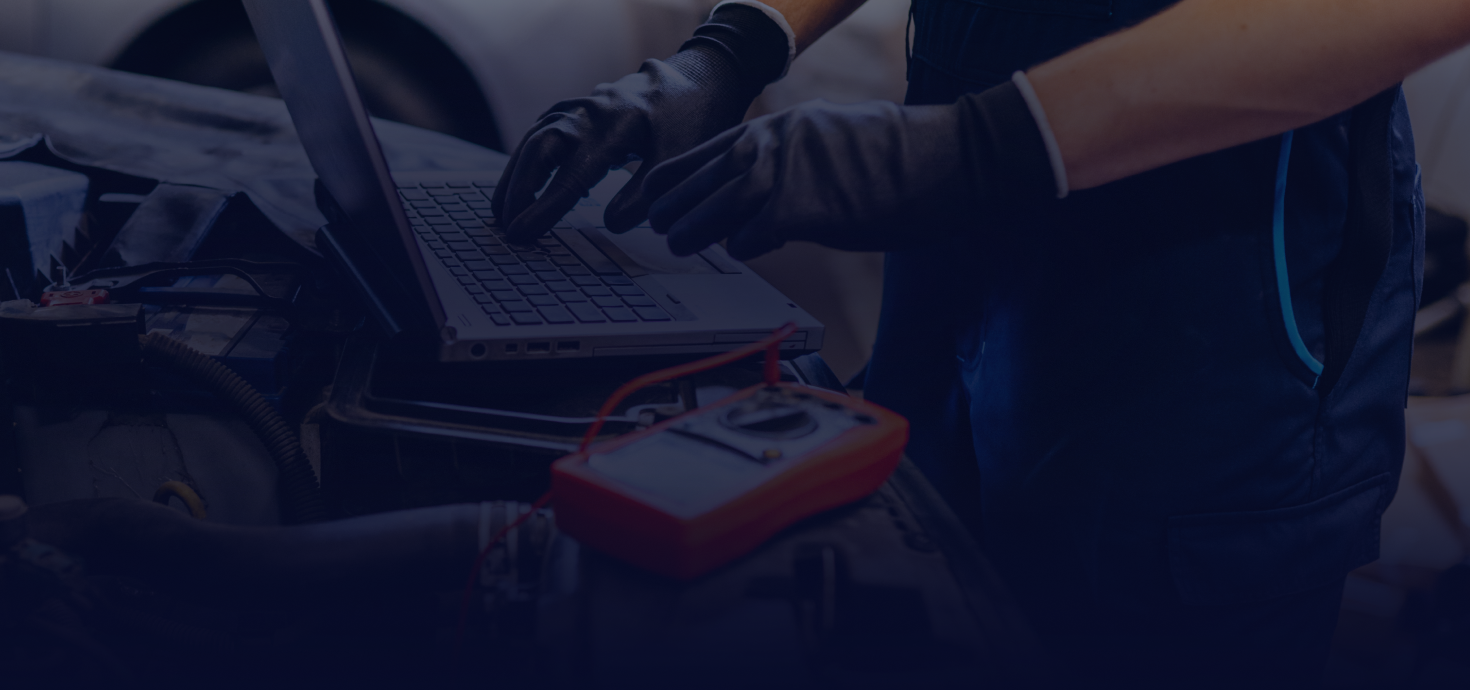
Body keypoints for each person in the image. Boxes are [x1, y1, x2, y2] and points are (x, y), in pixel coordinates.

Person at [493, 0, 1470, 686]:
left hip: (1210, 322)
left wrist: (978, 147)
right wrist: (735, 44)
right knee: (918, 596)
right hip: (961, 268)